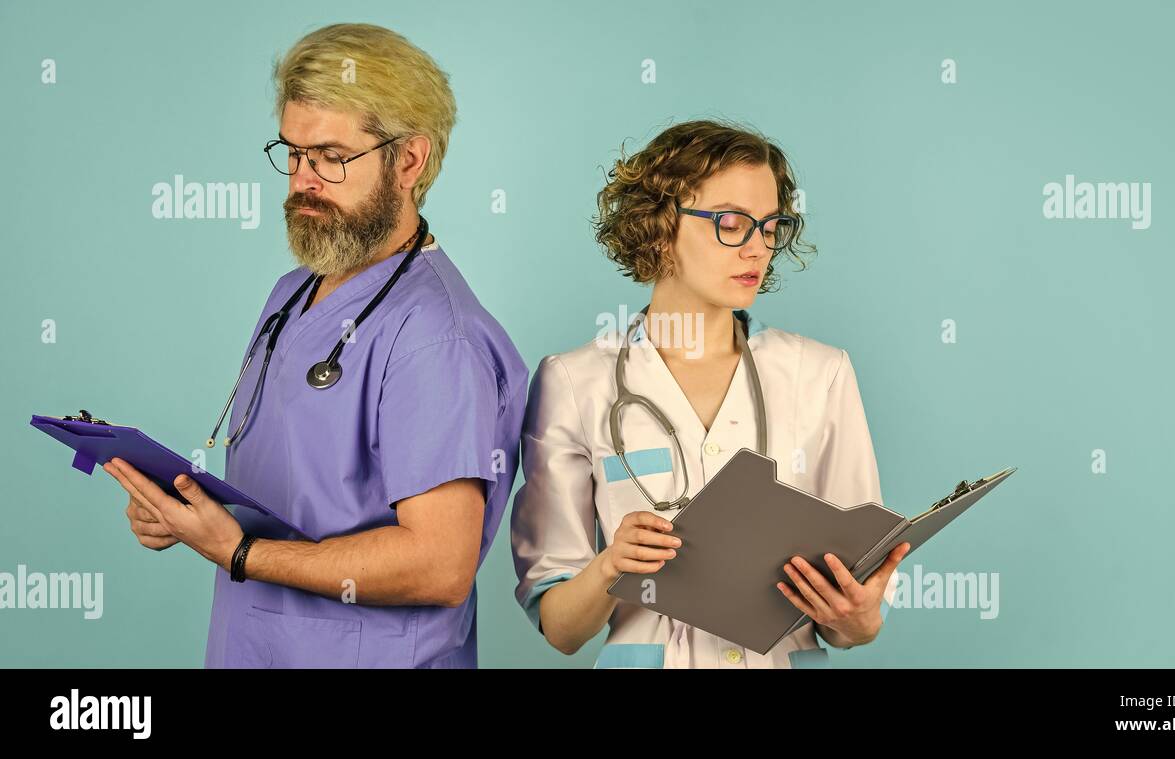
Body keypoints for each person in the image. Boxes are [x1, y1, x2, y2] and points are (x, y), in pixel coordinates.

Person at [102, 23, 527, 669]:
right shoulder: (293, 292)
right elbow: (305, 495)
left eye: (331, 156)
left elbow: (439, 564)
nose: (304, 180)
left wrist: (239, 552)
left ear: (409, 160)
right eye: (293, 153)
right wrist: (187, 515)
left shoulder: (437, 336)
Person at [511, 120, 909, 668]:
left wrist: (859, 619)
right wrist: (610, 566)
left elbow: (850, 620)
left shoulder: (821, 374)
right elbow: (559, 627)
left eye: (771, 226)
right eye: (731, 223)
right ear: (659, 223)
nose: (757, 248)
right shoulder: (576, 381)